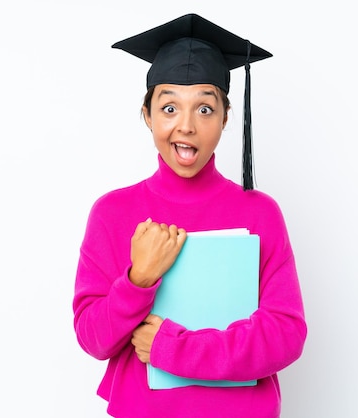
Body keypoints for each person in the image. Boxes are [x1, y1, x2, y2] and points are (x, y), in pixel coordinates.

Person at [73, 13, 307, 418]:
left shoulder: (260, 213)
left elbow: (286, 334)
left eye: (204, 109)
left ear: (226, 118)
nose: (186, 126)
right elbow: (94, 340)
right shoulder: (112, 213)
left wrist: (173, 348)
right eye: (168, 108)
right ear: (147, 115)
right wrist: (138, 279)